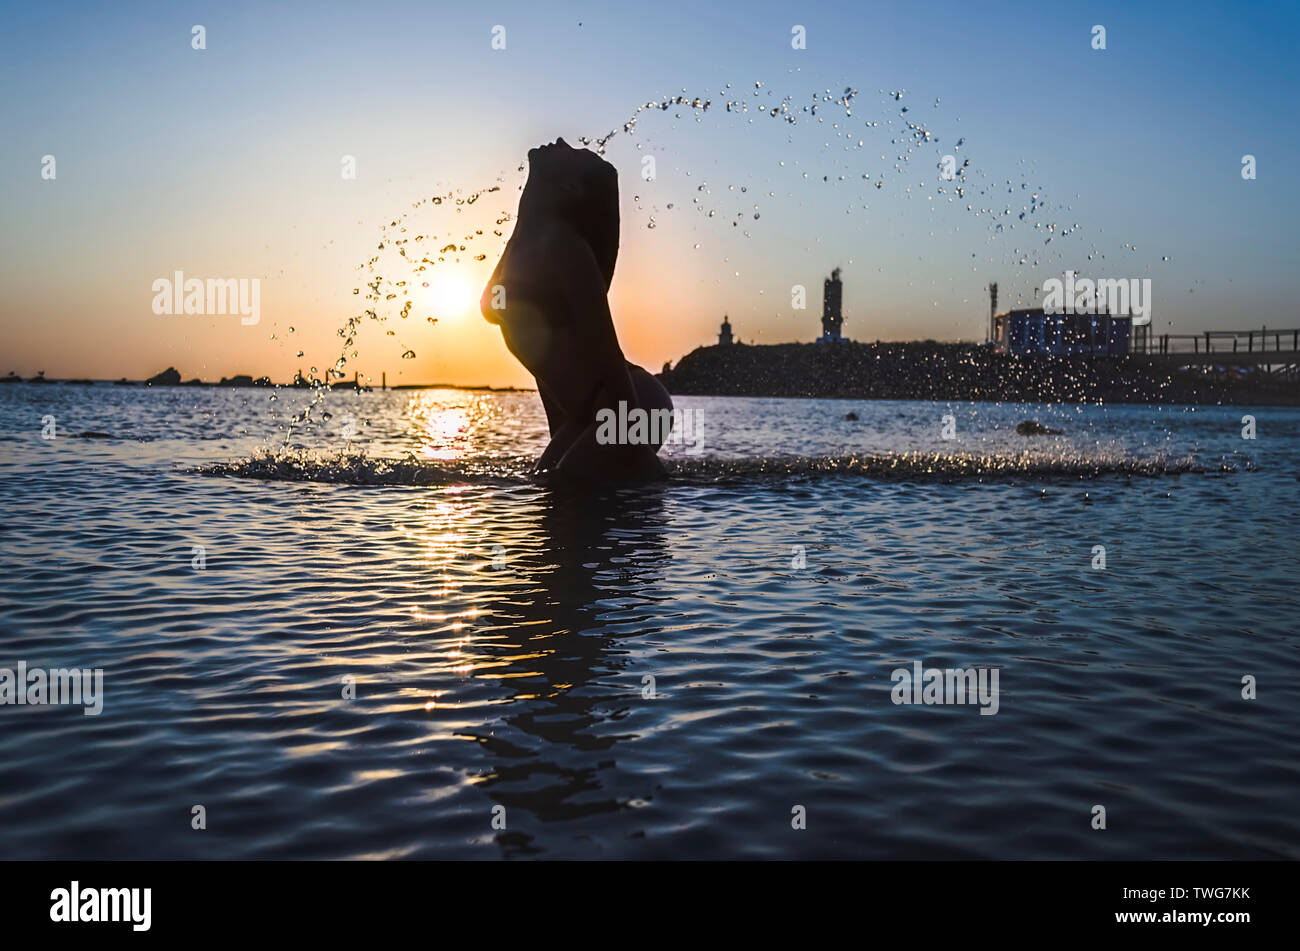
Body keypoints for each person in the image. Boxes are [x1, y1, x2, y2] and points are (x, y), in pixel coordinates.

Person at [481, 138, 673, 481]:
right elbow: (543, 356)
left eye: (574, 152)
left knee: (563, 488)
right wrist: (565, 430)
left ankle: (651, 495)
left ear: (567, 186)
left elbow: (608, 359)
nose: (559, 141)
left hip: (635, 405)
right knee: (545, 485)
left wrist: (635, 450)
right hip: (592, 412)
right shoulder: (522, 244)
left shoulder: (566, 251)